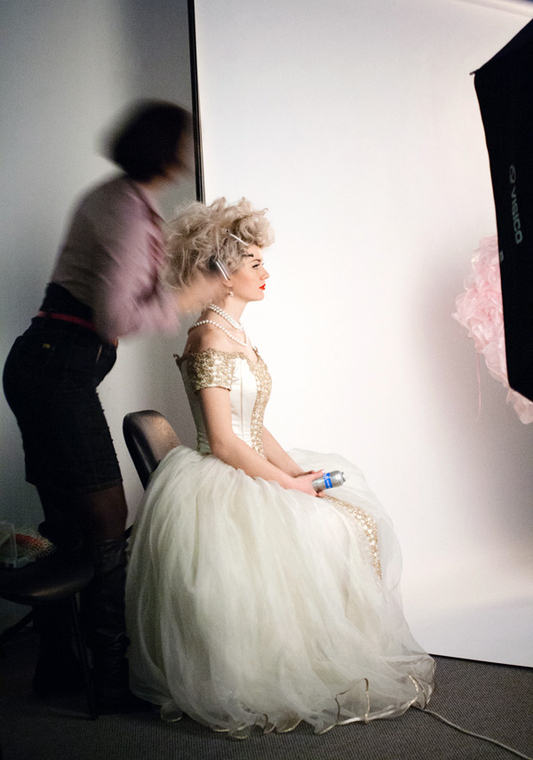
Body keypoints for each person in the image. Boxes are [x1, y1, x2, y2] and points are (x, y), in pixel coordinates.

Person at [125, 197, 435, 737]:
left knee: (345, 511)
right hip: (223, 475)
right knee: (319, 530)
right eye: (254, 263)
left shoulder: (235, 333)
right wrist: (287, 485)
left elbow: (255, 424)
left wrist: (299, 475)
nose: (265, 272)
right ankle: (282, 666)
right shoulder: (208, 337)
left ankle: (322, 651)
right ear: (224, 274)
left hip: (250, 463)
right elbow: (225, 441)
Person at [2, 101, 222, 713]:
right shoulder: (124, 209)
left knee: (68, 523)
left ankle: (59, 666)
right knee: (106, 520)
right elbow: (116, 316)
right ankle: (111, 680)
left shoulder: (123, 200)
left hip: (47, 365)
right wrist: (189, 296)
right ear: (167, 150)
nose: (188, 152)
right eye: (183, 142)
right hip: (58, 370)